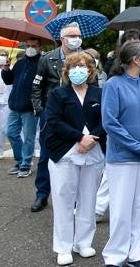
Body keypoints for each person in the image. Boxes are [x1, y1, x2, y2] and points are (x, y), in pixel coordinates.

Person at [101, 40, 140, 267]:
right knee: (120, 209)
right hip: (122, 158)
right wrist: (138, 147)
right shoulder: (113, 85)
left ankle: (138, 254)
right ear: (135, 59)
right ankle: (115, 256)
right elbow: (110, 122)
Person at [42, 51, 105, 266]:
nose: (79, 70)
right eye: (74, 66)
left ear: (90, 70)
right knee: (63, 200)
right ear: (67, 72)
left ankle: (83, 242)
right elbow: (53, 120)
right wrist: (79, 137)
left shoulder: (99, 93)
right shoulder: (58, 94)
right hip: (65, 151)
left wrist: (92, 139)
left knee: (88, 199)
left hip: (94, 151)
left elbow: (107, 118)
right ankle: (63, 246)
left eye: (83, 66)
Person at [32, 25, 85, 212]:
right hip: (51, 113)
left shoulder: (86, 59)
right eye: (72, 35)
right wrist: (40, 110)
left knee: (77, 155)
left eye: (78, 36)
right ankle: (41, 194)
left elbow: (94, 85)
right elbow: (37, 86)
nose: (76, 39)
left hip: (77, 112)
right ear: (62, 38)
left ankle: (77, 198)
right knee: (46, 154)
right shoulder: (47, 59)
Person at [5, 40, 42, 178]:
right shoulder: (20, 63)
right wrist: (6, 69)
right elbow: (9, 80)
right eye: (28, 46)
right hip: (15, 105)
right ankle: (20, 160)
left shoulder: (41, 64)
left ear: (39, 47)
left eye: (34, 46)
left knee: (28, 137)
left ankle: (25, 164)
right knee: (10, 132)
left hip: (30, 107)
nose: (30, 48)